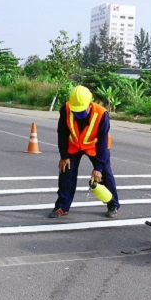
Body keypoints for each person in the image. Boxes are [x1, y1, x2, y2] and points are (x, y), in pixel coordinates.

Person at [50, 85, 120, 219]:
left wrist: (98, 167)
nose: (78, 114)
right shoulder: (66, 109)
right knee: (66, 171)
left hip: (95, 146)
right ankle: (62, 207)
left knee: (105, 173)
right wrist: (64, 156)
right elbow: (62, 133)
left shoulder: (101, 114)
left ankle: (113, 204)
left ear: (90, 104)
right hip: (74, 144)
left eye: (81, 110)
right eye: (76, 110)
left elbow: (102, 142)